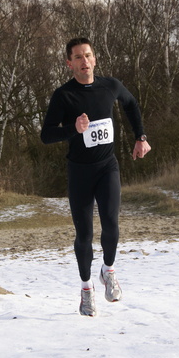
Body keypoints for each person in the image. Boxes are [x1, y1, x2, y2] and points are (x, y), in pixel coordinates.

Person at [40, 37, 151, 316]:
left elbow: (131, 104)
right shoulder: (63, 95)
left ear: (95, 59)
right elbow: (46, 135)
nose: (84, 61)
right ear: (69, 64)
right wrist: (73, 129)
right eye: (78, 57)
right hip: (79, 172)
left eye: (88, 55)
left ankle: (108, 271)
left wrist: (140, 137)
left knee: (111, 223)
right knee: (85, 235)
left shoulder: (110, 86)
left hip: (107, 167)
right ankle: (86, 288)